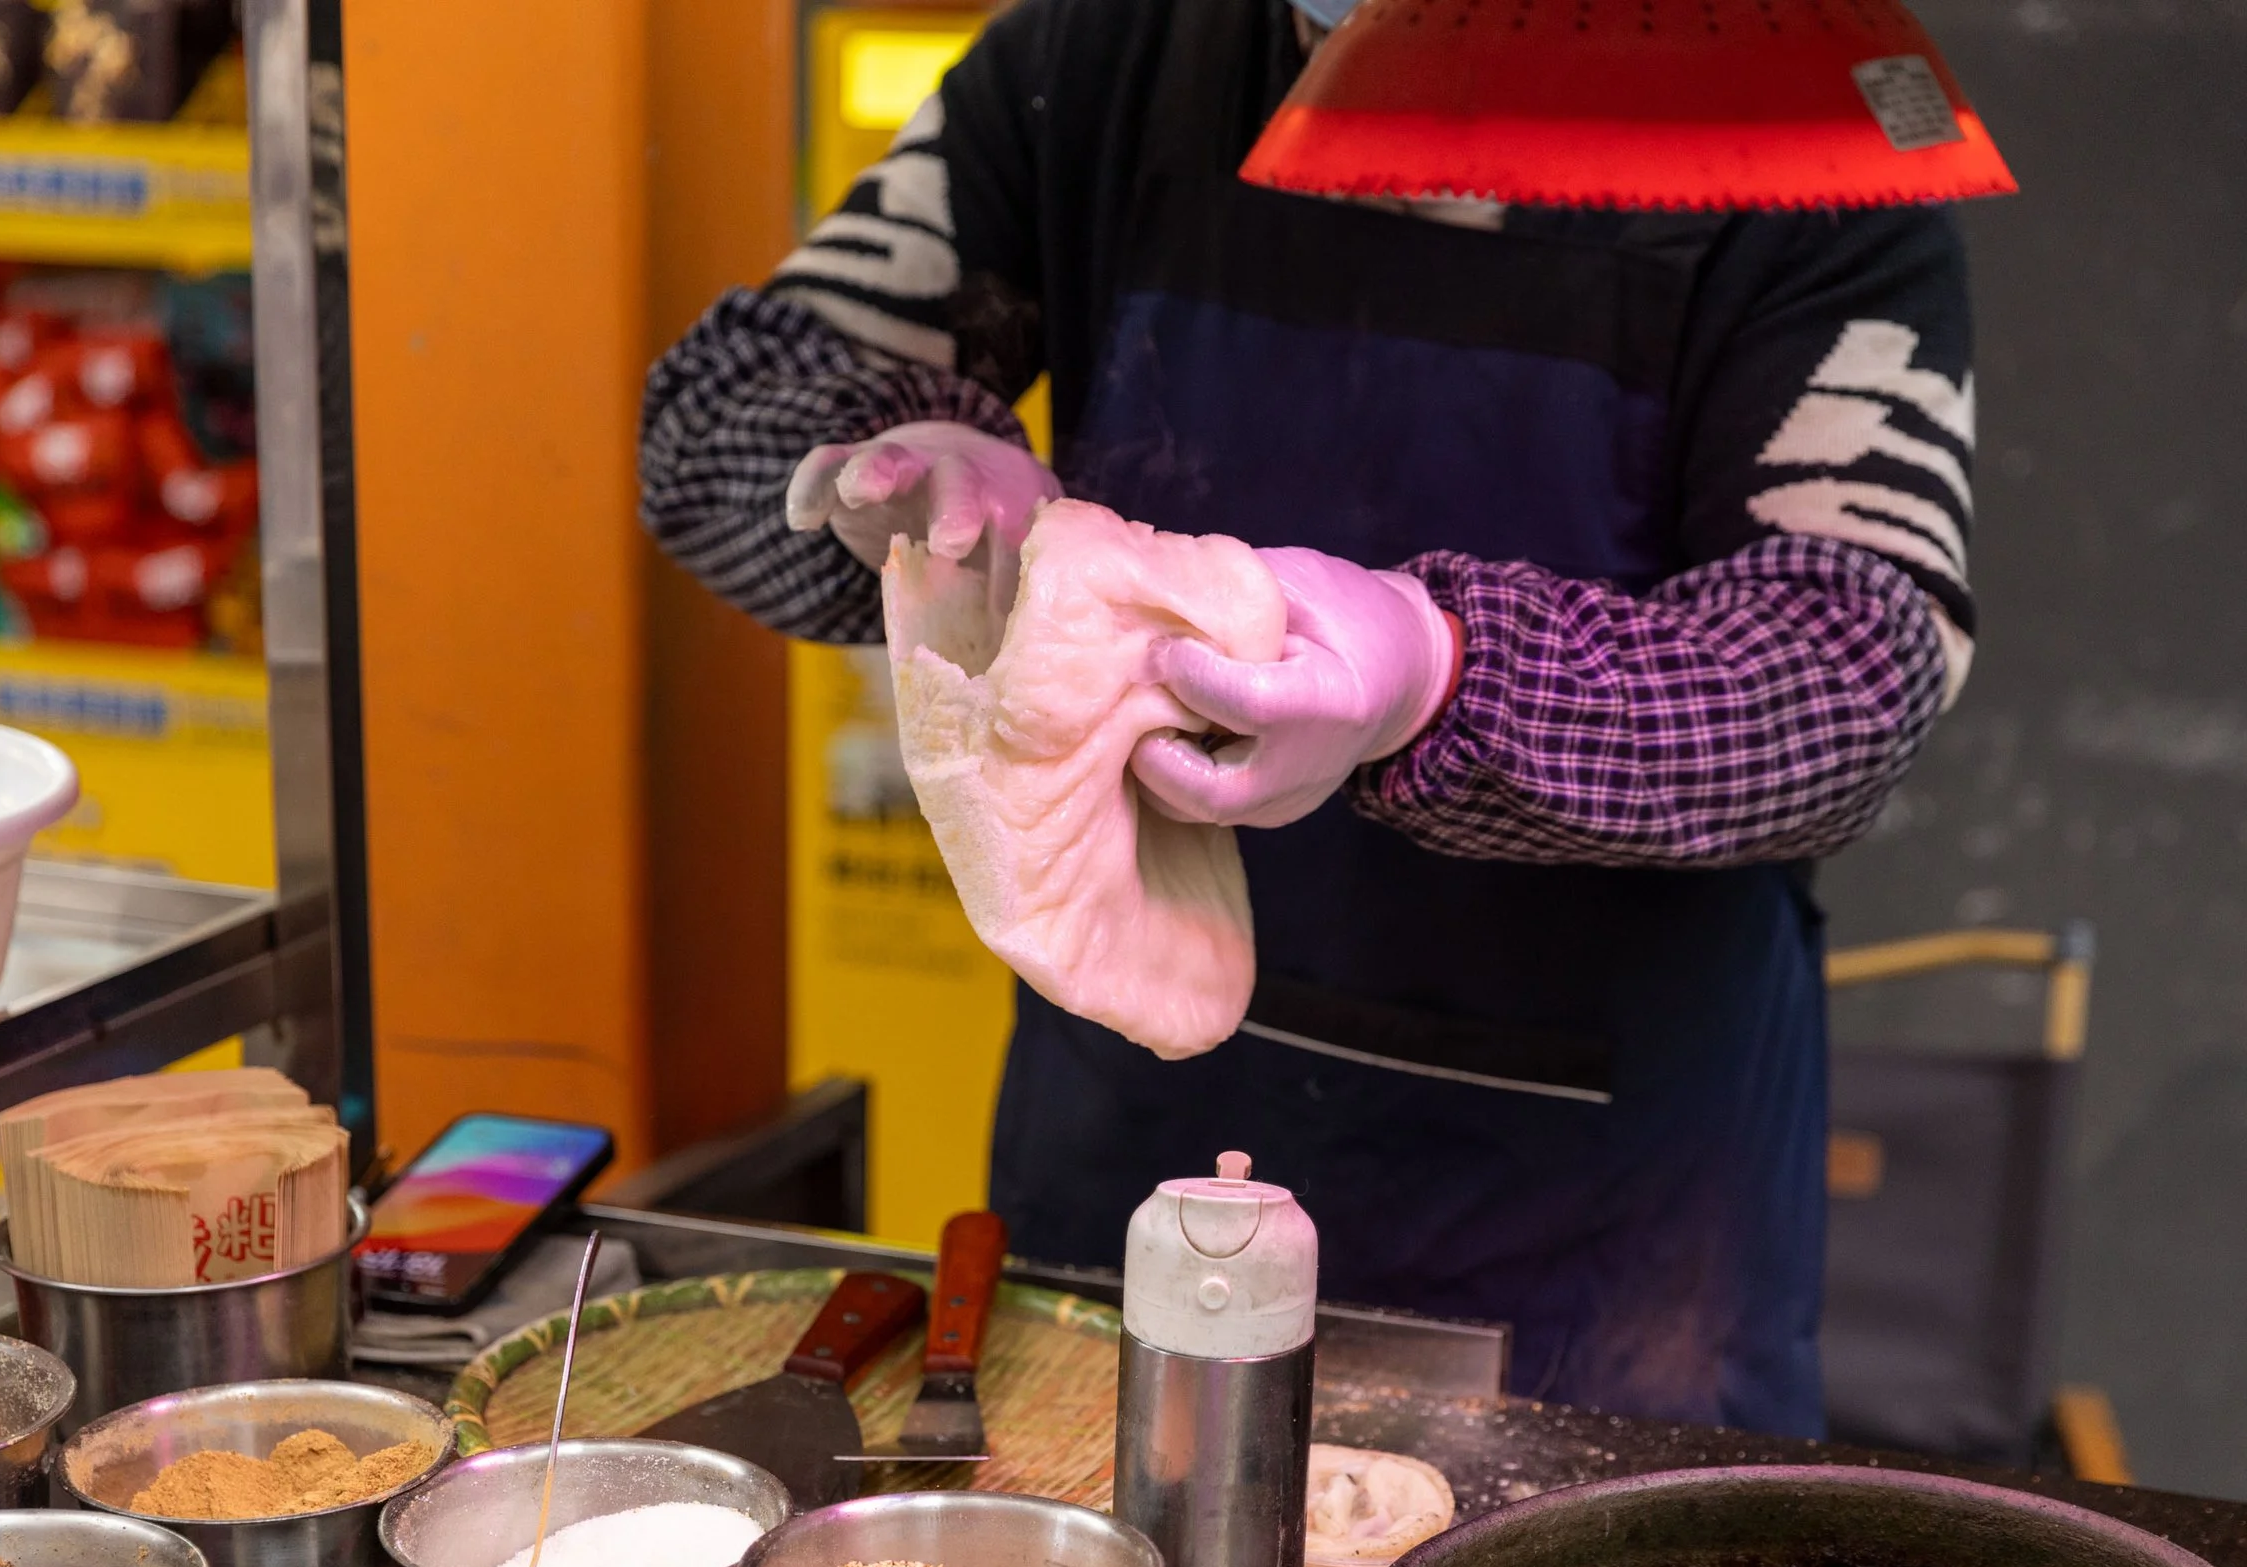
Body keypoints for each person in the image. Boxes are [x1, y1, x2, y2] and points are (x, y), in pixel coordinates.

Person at [637, 0, 1976, 1437]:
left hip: (1609, 1235)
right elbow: (720, 411)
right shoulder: (1102, 59)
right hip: (1141, 1153)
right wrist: (890, 489)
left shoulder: (1801, 121)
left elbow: (1850, 660)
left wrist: (1444, 673)